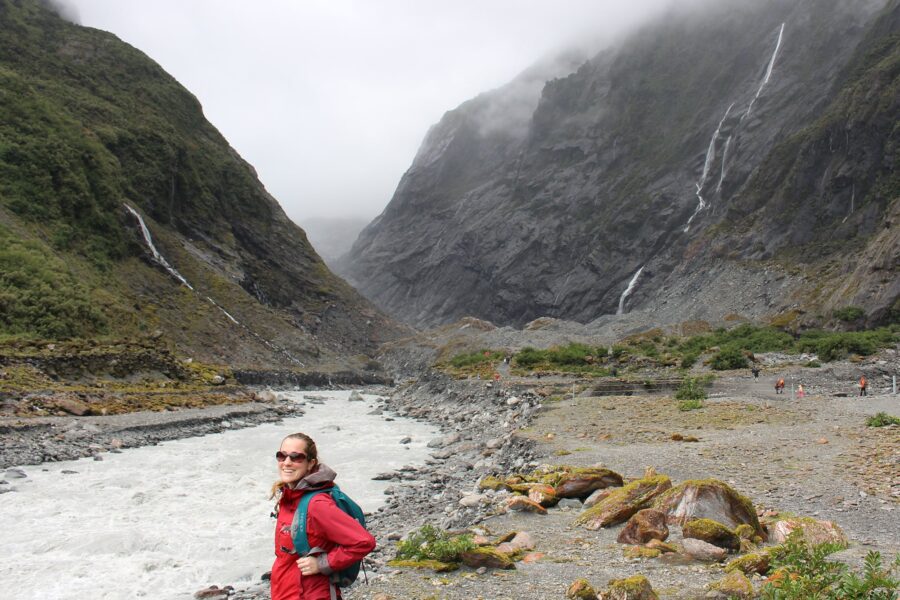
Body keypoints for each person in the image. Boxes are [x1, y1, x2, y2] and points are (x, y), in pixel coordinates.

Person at [270, 433, 375, 600]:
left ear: (311, 463)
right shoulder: (289, 497)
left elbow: (363, 542)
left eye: (296, 457)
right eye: (281, 456)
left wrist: (322, 564)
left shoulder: (317, 504)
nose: (287, 462)